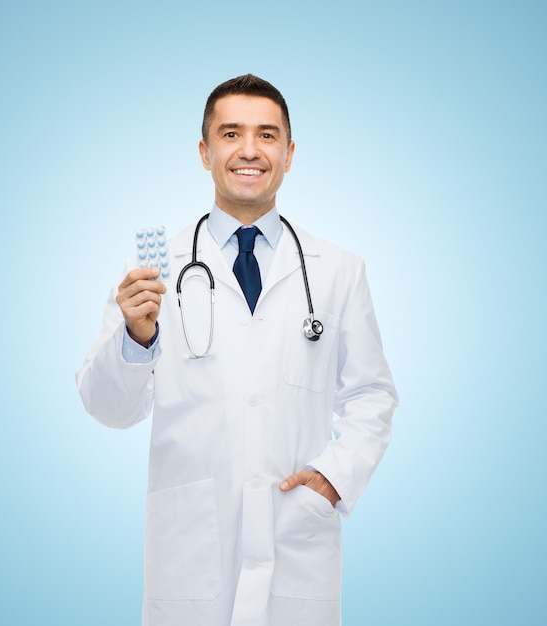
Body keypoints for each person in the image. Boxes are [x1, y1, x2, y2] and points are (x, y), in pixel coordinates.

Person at [76, 74, 398, 626]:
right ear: (205, 152)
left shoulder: (340, 271)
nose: (249, 150)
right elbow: (108, 409)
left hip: (296, 541)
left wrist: (334, 477)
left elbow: (372, 395)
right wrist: (136, 337)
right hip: (192, 552)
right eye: (231, 134)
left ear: (289, 153)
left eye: (267, 135)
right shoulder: (153, 273)